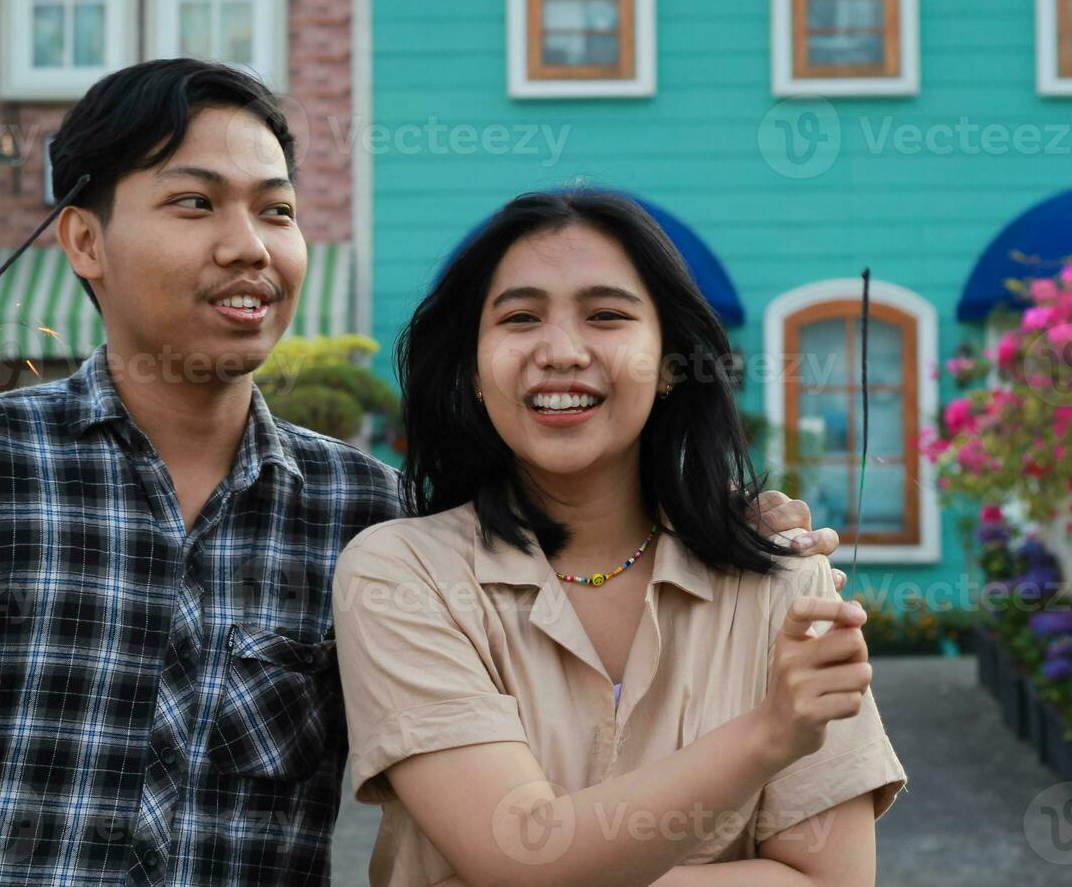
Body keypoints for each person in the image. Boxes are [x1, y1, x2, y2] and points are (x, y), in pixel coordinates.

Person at [0, 60, 847, 886]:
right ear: (85, 242)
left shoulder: (368, 512)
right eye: (194, 203)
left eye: (278, 210)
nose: (250, 244)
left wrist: (725, 520)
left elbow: (579, 590)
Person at [332, 190, 907, 887]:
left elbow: (832, 881)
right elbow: (521, 852)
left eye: (606, 316)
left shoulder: (787, 584)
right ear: (475, 373)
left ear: (671, 363)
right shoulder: (401, 574)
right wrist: (768, 734)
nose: (563, 351)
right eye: (520, 318)